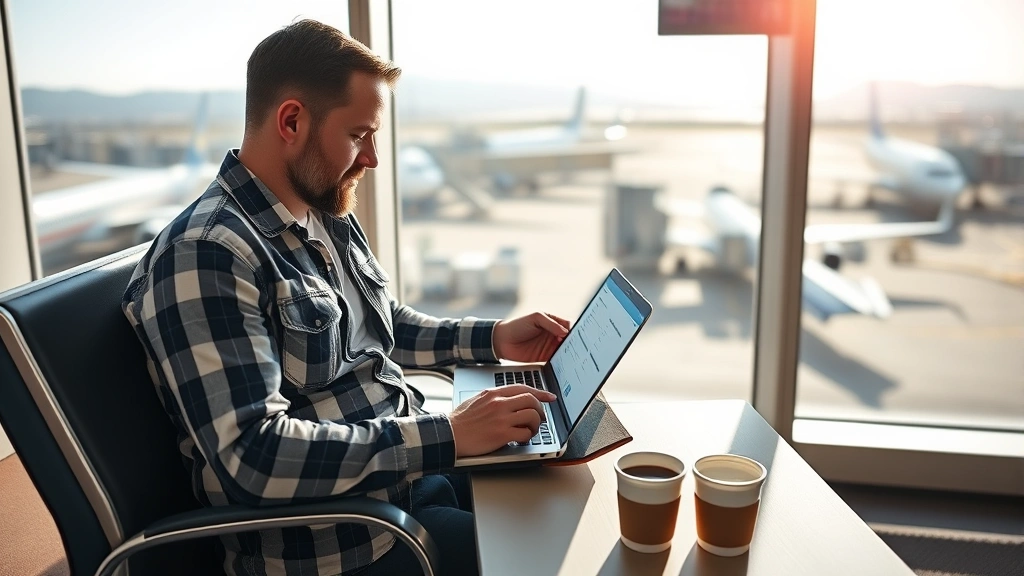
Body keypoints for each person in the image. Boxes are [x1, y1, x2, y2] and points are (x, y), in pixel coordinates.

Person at [121, 19, 569, 576]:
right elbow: (253, 457)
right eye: (359, 135)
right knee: (546, 558)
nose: (372, 159)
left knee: (556, 484)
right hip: (349, 542)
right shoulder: (207, 254)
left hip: (405, 483)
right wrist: (449, 434)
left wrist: (494, 338)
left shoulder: (321, 210)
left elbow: (381, 327)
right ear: (292, 120)